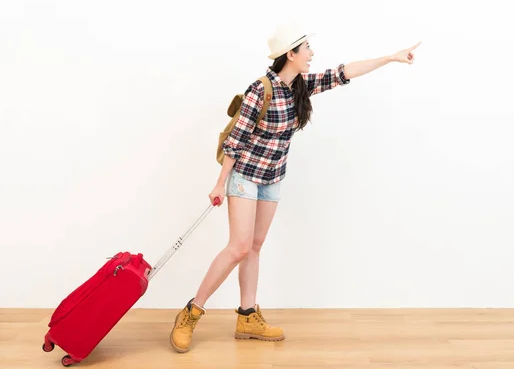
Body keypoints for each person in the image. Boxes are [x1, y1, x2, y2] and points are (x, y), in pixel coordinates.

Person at [169, 23, 421, 352]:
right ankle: (192, 311)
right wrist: (220, 184)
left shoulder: (300, 86)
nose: (312, 54)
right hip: (245, 175)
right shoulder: (261, 89)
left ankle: (247, 315)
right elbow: (235, 141)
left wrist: (390, 58)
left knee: (255, 247)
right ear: (290, 54)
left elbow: (344, 72)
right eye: (306, 49)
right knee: (239, 247)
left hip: (273, 178)